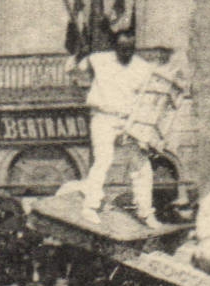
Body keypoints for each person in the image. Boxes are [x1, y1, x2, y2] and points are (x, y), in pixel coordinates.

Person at [62, 30, 160, 225]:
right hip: (103, 118)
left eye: (130, 49)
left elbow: (150, 99)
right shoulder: (99, 59)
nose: (126, 53)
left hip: (130, 122)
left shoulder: (142, 67)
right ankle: (90, 206)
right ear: (115, 47)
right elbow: (72, 70)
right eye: (122, 49)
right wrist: (80, 55)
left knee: (141, 165)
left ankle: (145, 212)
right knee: (103, 160)